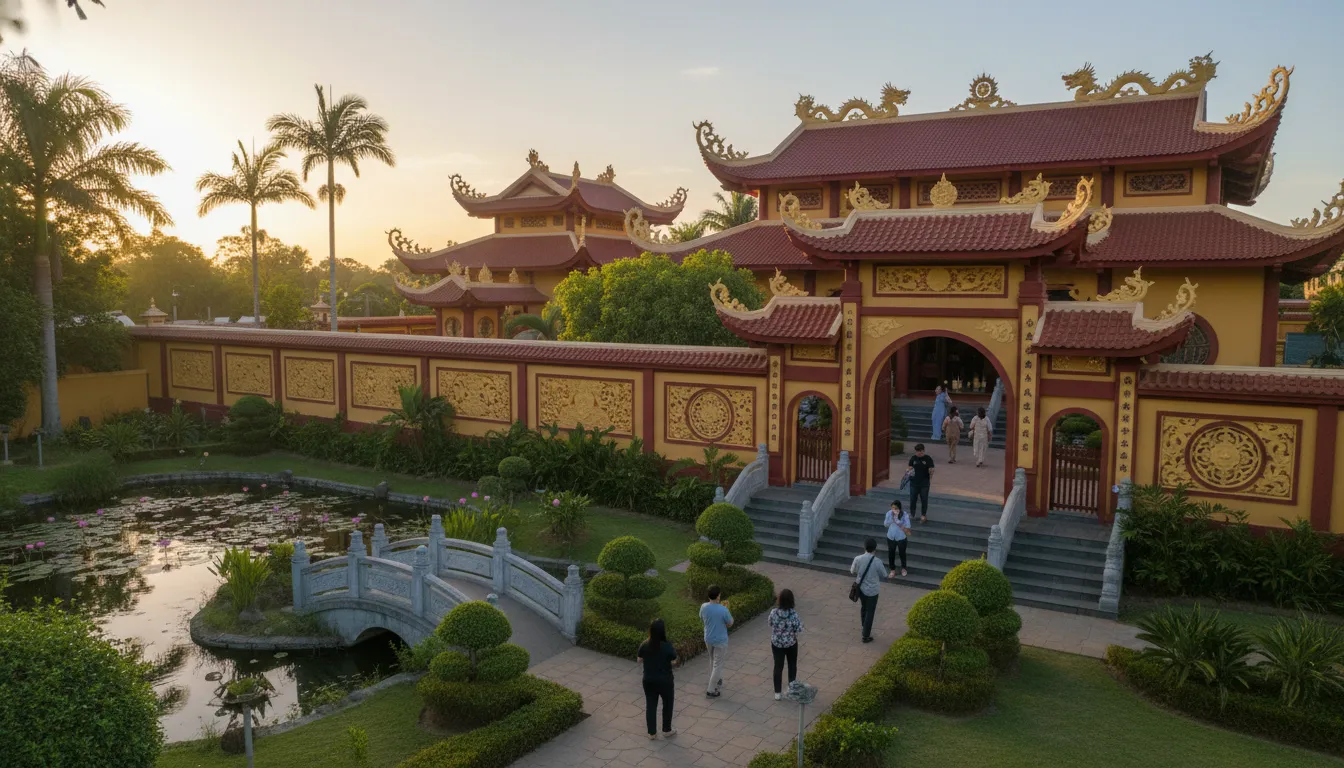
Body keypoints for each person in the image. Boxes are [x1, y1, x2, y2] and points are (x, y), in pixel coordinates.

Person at [636, 618, 678, 740]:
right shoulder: (667, 646)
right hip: (665, 680)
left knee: (651, 705)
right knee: (667, 704)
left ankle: (652, 733)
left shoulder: (644, 644)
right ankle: (666, 730)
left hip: (649, 679)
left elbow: (639, 660)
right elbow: (674, 661)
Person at [767, 589, 803, 700]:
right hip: (791, 644)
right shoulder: (793, 614)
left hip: (777, 644)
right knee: (792, 666)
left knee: (778, 667)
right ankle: (791, 689)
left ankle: (777, 693)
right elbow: (799, 628)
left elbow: (769, 623)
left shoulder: (774, 612)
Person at [699, 585, 734, 698]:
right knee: (718, 664)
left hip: (708, 638)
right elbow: (730, 623)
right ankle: (711, 689)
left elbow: (701, 617)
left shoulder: (704, 607)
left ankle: (716, 679)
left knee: (712, 659)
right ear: (718, 596)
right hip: (720, 640)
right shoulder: (724, 610)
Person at [850, 538, 883, 643]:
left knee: (864, 607)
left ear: (864, 547)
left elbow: (852, 571)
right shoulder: (877, 561)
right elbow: (884, 574)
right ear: (875, 549)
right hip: (873, 590)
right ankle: (866, 635)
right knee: (870, 611)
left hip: (861, 589)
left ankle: (864, 626)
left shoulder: (858, 559)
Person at [884, 500, 912, 578]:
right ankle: (892, 569)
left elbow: (908, 526)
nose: (894, 510)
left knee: (902, 553)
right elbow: (885, 524)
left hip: (901, 537)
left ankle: (903, 568)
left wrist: (898, 521)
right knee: (891, 553)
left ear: (899, 508)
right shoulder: (889, 513)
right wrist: (892, 519)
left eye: (895, 508)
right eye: (892, 508)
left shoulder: (905, 514)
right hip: (891, 537)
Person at [908, 443, 935, 523]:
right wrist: (909, 471)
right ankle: (912, 514)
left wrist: (931, 471)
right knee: (913, 499)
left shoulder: (928, 459)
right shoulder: (913, 458)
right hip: (914, 483)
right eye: (917, 451)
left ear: (923, 451)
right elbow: (910, 467)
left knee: (924, 499)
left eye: (920, 451)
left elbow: (931, 468)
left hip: (924, 483)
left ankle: (923, 515)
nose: (919, 453)